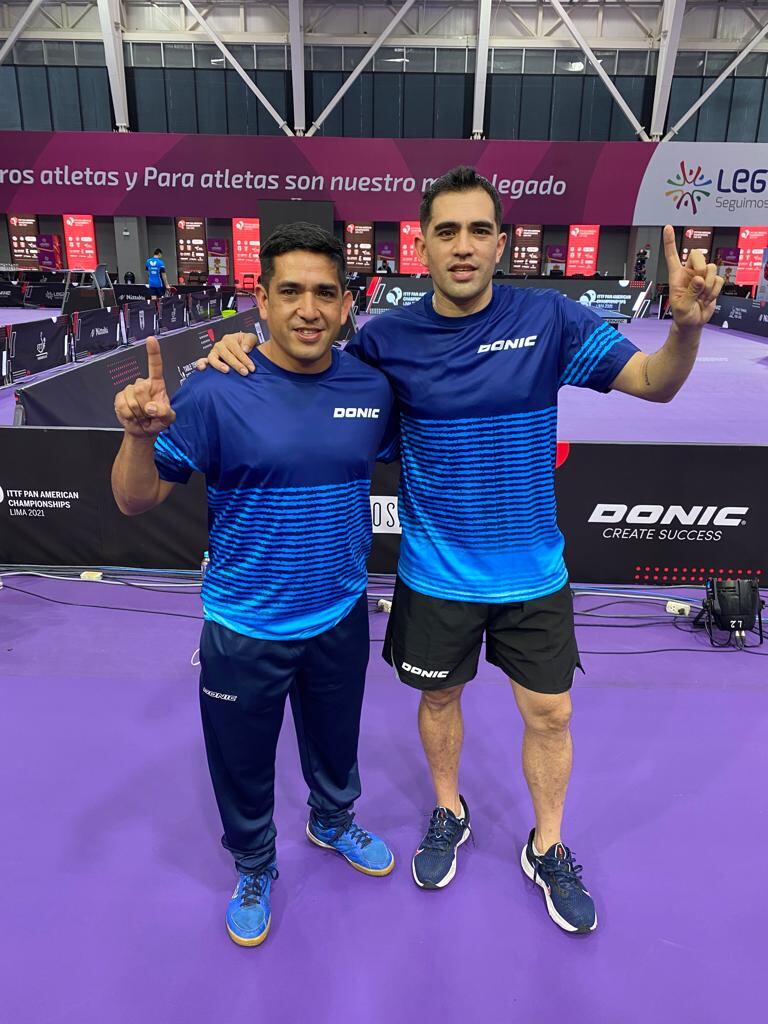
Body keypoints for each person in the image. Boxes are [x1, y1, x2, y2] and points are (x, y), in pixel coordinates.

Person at [200, 167, 723, 935]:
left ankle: (547, 845)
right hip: (435, 571)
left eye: (480, 230)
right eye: (447, 231)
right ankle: (449, 811)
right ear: (422, 246)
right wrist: (238, 345)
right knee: (438, 699)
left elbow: (653, 383)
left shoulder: (550, 319)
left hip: (533, 572)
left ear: (501, 242)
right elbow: (308, 379)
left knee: (551, 711)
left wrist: (685, 328)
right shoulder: (385, 341)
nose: (464, 246)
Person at [112, 224, 398, 948]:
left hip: (339, 611)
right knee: (239, 761)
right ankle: (254, 862)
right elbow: (133, 501)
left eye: (325, 293)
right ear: (261, 302)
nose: (308, 308)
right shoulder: (214, 389)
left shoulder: (371, 386)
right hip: (245, 625)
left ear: (344, 305)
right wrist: (138, 438)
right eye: (290, 292)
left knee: (337, 744)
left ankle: (332, 821)